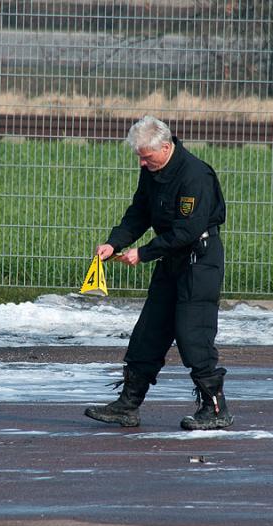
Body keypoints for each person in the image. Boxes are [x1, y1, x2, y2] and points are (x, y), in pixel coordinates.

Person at [84, 115, 233, 430]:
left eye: (146, 156)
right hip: (171, 259)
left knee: (193, 334)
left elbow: (189, 229)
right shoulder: (152, 172)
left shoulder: (195, 175)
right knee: (149, 332)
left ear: (166, 147)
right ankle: (127, 405)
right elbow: (139, 212)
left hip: (199, 260)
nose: (141, 163)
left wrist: (144, 253)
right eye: (139, 156)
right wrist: (114, 243)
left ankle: (215, 409)